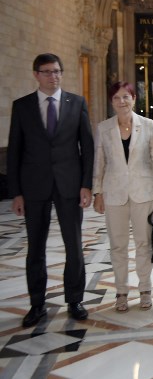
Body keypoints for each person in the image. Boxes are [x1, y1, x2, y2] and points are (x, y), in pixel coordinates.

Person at [8, 53, 95, 327]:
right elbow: (14, 151)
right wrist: (17, 192)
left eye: (57, 71)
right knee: (35, 248)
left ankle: (75, 299)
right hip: (34, 187)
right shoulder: (21, 107)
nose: (53, 76)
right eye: (46, 72)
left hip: (69, 185)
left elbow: (87, 147)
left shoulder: (77, 102)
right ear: (36, 75)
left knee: (74, 246)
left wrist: (86, 185)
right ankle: (36, 304)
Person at [93, 82, 153, 311]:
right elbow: (100, 162)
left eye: (126, 96)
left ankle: (145, 289)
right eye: (116, 97)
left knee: (143, 244)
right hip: (114, 193)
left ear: (134, 99)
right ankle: (121, 292)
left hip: (144, 192)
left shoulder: (147, 125)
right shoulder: (103, 128)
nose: (121, 101)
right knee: (117, 246)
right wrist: (97, 192)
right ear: (111, 101)